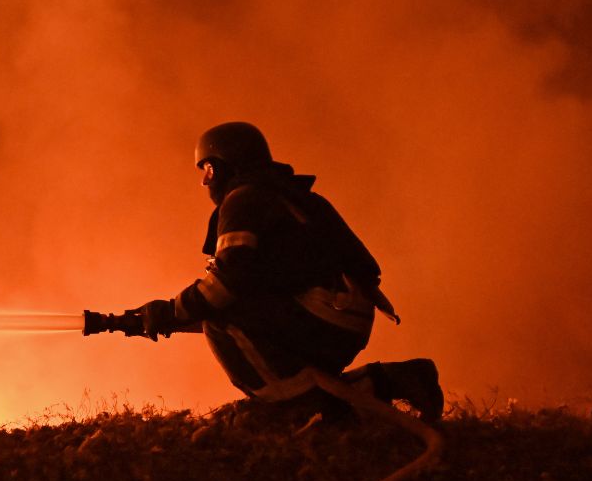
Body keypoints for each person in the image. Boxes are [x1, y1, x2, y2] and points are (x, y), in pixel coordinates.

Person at [130, 122, 443, 422]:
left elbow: (227, 283)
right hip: (341, 315)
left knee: (220, 317)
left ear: (228, 165)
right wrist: (170, 318)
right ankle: (388, 381)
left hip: (326, 314)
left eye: (208, 170)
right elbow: (258, 286)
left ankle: (290, 405)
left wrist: (172, 309)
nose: (205, 182)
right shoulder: (280, 194)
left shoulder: (244, 200)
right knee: (230, 321)